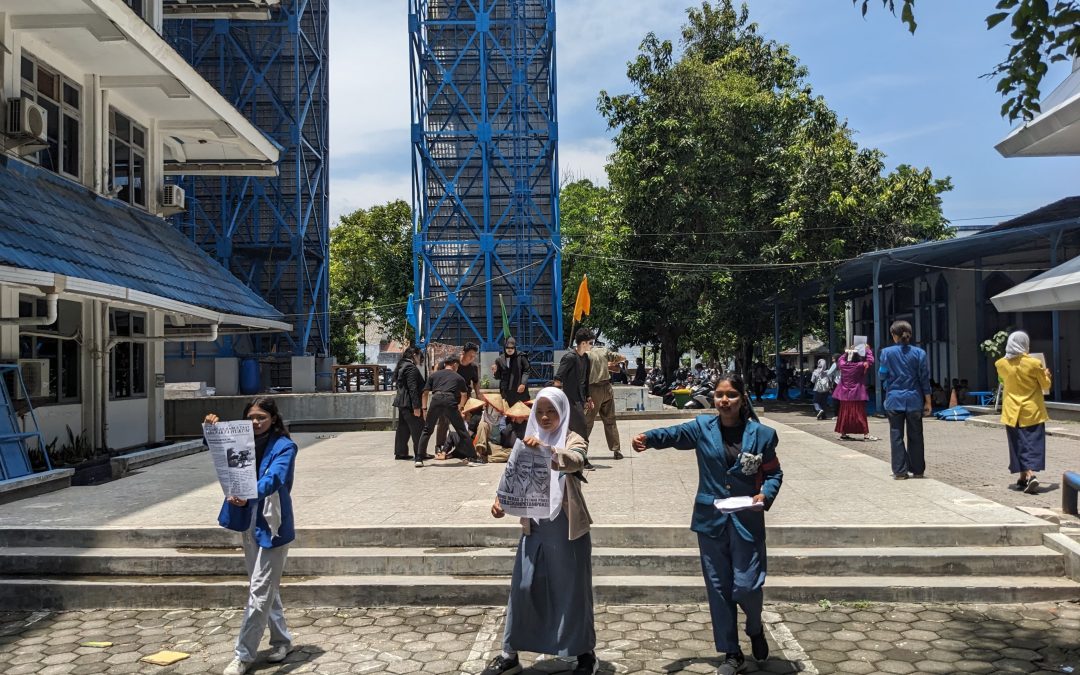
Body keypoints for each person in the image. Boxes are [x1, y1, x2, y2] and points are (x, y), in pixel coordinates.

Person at [631, 374, 783, 675]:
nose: (724, 401)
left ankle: (754, 626)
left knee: (747, 586)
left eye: (731, 395)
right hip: (710, 520)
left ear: (742, 398)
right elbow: (674, 434)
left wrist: (765, 493)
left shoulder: (762, 435)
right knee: (718, 588)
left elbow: (774, 473)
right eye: (719, 395)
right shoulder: (703, 427)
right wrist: (648, 438)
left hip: (746, 520)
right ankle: (731, 652)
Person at [482, 387, 596, 675]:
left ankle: (584, 655)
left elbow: (577, 459)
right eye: (540, 411)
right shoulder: (524, 442)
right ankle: (510, 654)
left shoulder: (572, 438)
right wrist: (500, 502)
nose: (545, 417)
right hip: (534, 526)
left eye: (552, 411)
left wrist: (549, 451)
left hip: (566, 527)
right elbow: (510, 478)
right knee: (522, 587)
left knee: (571, 591)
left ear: (562, 412)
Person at [206, 397, 298, 675]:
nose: (256, 423)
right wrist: (213, 428)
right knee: (265, 588)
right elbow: (219, 451)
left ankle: (243, 655)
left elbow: (275, 479)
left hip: (273, 524)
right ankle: (282, 641)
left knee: (259, 591)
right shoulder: (240, 442)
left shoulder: (285, 446)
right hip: (246, 521)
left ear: (273, 419)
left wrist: (246, 494)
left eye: (261, 417)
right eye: (251, 418)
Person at [995, 331, 1052, 494]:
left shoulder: (1000, 364)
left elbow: (1002, 380)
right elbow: (1045, 385)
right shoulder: (1034, 363)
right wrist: (1046, 375)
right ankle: (1031, 474)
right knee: (1032, 444)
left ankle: (1022, 478)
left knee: (1017, 443)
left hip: (1012, 412)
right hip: (1032, 411)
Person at [878, 321, 931, 480]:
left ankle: (900, 471)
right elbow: (924, 379)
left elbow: (882, 375)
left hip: (894, 399)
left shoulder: (886, 353)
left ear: (894, 336)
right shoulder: (920, 353)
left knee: (896, 435)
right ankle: (918, 470)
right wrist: (928, 401)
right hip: (914, 399)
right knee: (916, 436)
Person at [416, 356, 478, 467]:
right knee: (462, 431)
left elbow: (425, 393)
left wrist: (424, 409)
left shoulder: (434, 375)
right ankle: (472, 458)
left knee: (427, 429)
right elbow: (464, 394)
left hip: (436, 400)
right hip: (450, 401)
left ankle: (419, 459)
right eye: (457, 366)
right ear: (454, 364)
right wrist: (460, 407)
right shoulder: (459, 377)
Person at [585, 342, 626, 460]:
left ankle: (581, 450)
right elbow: (621, 357)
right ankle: (616, 450)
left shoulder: (585, 354)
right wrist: (606, 364)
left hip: (593, 389)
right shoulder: (603, 351)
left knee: (587, 422)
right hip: (607, 388)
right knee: (610, 420)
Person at [438, 343, 482, 450]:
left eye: (474, 355)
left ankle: (467, 444)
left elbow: (475, 382)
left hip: (465, 397)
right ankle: (439, 445)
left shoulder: (473, 367)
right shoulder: (453, 362)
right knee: (444, 419)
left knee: (469, 419)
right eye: (470, 355)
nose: (473, 357)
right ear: (463, 353)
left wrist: (478, 396)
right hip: (450, 395)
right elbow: (438, 369)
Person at [554, 327, 595, 442]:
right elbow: (558, 379)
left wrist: (588, 397)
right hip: (570, 400)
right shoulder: (570, 357)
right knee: (581, 427)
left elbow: (586, 380)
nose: (592, 345)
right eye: (590, 343)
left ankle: (574, 456)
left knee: (573, 430)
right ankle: (582, 458)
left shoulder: (586, 358)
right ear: (583, 343)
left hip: (580, 399)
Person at [833, 344, 877, 442]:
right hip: (857, 393)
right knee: (860, 414)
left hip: (844, 394)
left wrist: (847, 351)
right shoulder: (860, 365)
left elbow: (840, 359)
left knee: (844, 414)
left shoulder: (843, 365)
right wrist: (867, 350)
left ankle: (843, 433)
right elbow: (871, 361)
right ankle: (866, 434)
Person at [493, 337, 532, 437]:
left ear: (515, 347)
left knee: (522, 414)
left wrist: (523, 383)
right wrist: (495, 371)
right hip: (506, 393)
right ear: (504, 348)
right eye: (507, 347)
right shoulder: (499, 359)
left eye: (512, 347)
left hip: (520, 392)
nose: (509, 349)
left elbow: (527, 370)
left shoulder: (521, 356)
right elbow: (498, 377)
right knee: (509, 415)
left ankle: (525, 435)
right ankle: (509, 437)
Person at [392, 346, 425, 462]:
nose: (420, 359)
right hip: (409, 403)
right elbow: (413, 389)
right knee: (419, 428)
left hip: (402, 402)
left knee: (403, 428)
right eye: (420, 356)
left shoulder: (402, 365)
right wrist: (416, 407)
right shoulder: (410, 368)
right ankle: (421, 453)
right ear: (414, 355)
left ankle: (401, 452)